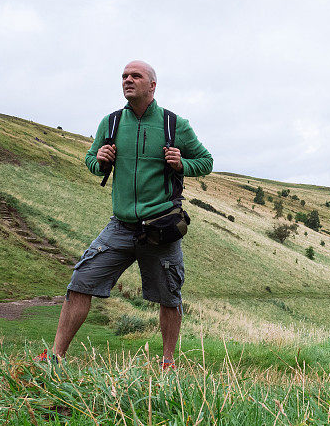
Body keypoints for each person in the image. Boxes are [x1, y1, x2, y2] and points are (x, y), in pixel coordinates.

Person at [40, 60, 213, 369]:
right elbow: (92, 161)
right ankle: (54, 358)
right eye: (124, 76)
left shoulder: (175, 125)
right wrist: (100, 160)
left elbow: (206, 161)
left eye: (136, 76)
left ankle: (168, 363)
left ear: (152, 85)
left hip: (160, 226)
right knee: (80, 281)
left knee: (170, 297)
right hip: (120, 226)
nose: (128, 80)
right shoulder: (111, 123)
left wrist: (181, 165)